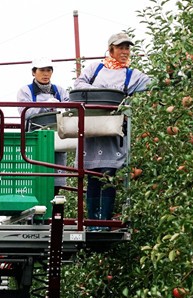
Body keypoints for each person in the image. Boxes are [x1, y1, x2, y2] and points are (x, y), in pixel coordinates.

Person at [72, 32, 150, 223]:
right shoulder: (95, 69)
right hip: (92, 128)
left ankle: (103, 219)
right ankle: (92, 220)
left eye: (127, 48)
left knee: (109, 173)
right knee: (92, 173)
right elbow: (78, 84)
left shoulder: (132, 74)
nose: (125, 52)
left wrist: (174, 76)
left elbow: (152, 84)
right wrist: (103, 94)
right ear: (111, 50)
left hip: (113, 129)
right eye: (121, 48)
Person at [17, 57, 68, 187]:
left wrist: (62, 107)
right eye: (42, 70)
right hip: (35, 138)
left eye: (49, 70)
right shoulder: (25, 91)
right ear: (34, 72)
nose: (46, 74)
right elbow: (26, 113)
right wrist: (44, 105)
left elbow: (70, 110)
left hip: (57, 138)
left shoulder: (60, 91)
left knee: (57, 177)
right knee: (37, 174)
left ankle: (55, 201)